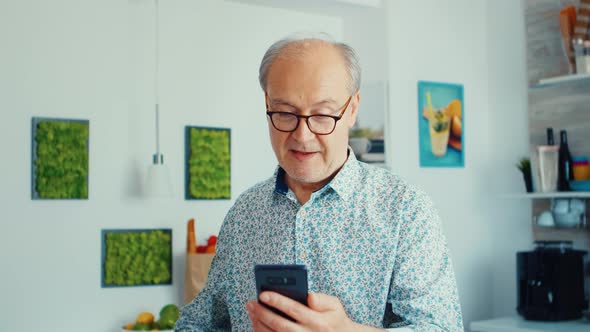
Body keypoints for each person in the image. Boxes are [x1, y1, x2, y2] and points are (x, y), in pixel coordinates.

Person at [176, 33, 463, 332]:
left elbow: (442, 328)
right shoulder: (244, 213)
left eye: (323, 114)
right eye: (286, 113)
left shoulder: (405, 210)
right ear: (267, 104)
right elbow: (199, 324)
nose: (302, 136)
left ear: (352, 108)